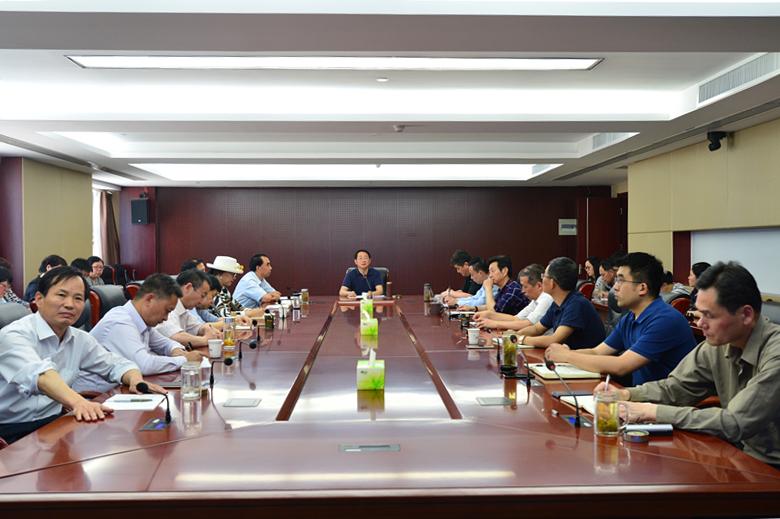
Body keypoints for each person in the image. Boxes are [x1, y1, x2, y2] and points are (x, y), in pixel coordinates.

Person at [599, 262, 780, 468]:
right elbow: (676, 388)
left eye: (709, 315)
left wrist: (652, 412)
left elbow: (735, 422)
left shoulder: (775, 353)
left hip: (770, 469)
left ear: (746, 315)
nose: (700, 323)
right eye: (699, 313)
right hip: (737, 455)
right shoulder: (717, 344)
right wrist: (626, 394)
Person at [0, 266, 164, 444]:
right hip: (10, 433)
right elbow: (40, 376)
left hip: (55, 425)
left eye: (78, 298)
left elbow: (116, 364)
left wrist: (135, 379)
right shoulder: (13, 335)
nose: (70, 304)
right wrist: (79, 403)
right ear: (39, 299)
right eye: (61, 295)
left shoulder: (79, 338)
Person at [546, 253, 697, 385]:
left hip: (667, 404)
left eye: (620, 280)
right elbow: (597, 352)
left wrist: (567, 356)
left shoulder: (665, 320)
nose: (615, 287)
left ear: (642, 288)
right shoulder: (630, 317)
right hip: (639, 398)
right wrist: (565, 353)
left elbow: (621, 366)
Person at [74, 273, 204, 393]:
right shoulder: (120, 321)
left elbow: (165, 343)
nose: (166, 318)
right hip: (95, 397)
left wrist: (176, 350)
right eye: (167, 310)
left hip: (120, 389)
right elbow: (143, 364)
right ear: (150, 299)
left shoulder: (141, 321)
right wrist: (184, 359)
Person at [514, 257, 606, 349]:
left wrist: (521, 339)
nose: (542, 280)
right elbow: (537, 328)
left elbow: (554, 339)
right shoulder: (557, 303)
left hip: (585, 357)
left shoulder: (576, 304)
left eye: (544, 276)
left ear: (552, 283)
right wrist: (514, 334)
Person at [475, 263, 554, 331]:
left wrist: (495, 323)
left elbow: (528, 324)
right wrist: (489, 315)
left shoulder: (546, 298)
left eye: (525, 286)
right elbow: (516, 319)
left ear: (539, 286)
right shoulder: (535, 300)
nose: (522, 291)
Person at [155, 269, 221, 347]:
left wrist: (206, 329)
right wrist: (205, 340)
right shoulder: (168, 306)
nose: (201, 301)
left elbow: (197, 327)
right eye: (202, 295)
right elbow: (176, 336)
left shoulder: (184, 310)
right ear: (188, 288)